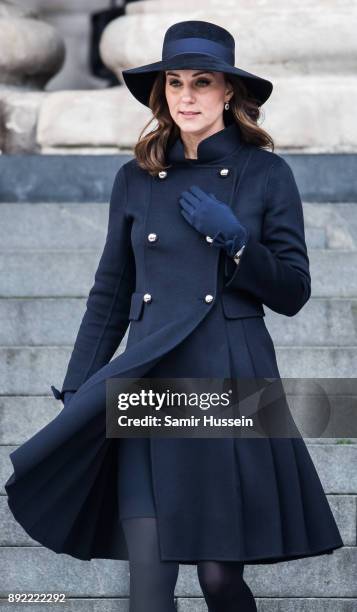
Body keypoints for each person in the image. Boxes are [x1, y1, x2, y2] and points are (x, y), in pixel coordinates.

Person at [5, 20, 343, 612]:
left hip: (230, 382)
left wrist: (239, 243)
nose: (186, 96)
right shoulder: (134, 180)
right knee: (151, 587)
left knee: (218, 579)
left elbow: (293, 291)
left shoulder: (267, 175)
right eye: (175, 83)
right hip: (147, 385)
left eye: (202, 82)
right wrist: (82, 385)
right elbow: (110, 293)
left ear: (229, 93)